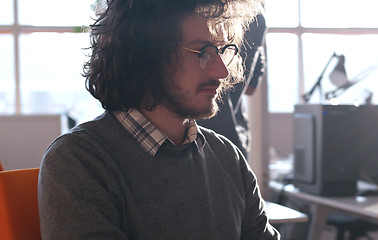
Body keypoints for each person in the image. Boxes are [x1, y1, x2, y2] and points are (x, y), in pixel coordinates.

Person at [37, 0, 280, 239]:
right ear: (146, 56)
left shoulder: (227, 156)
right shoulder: (79, 161)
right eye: (204, 52)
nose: (222, 72)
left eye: (223, 51)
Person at [197, 12, 267, 159]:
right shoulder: (254, 16)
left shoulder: (191, 10)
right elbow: (250, 88)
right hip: (231, 132)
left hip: (210, 131)